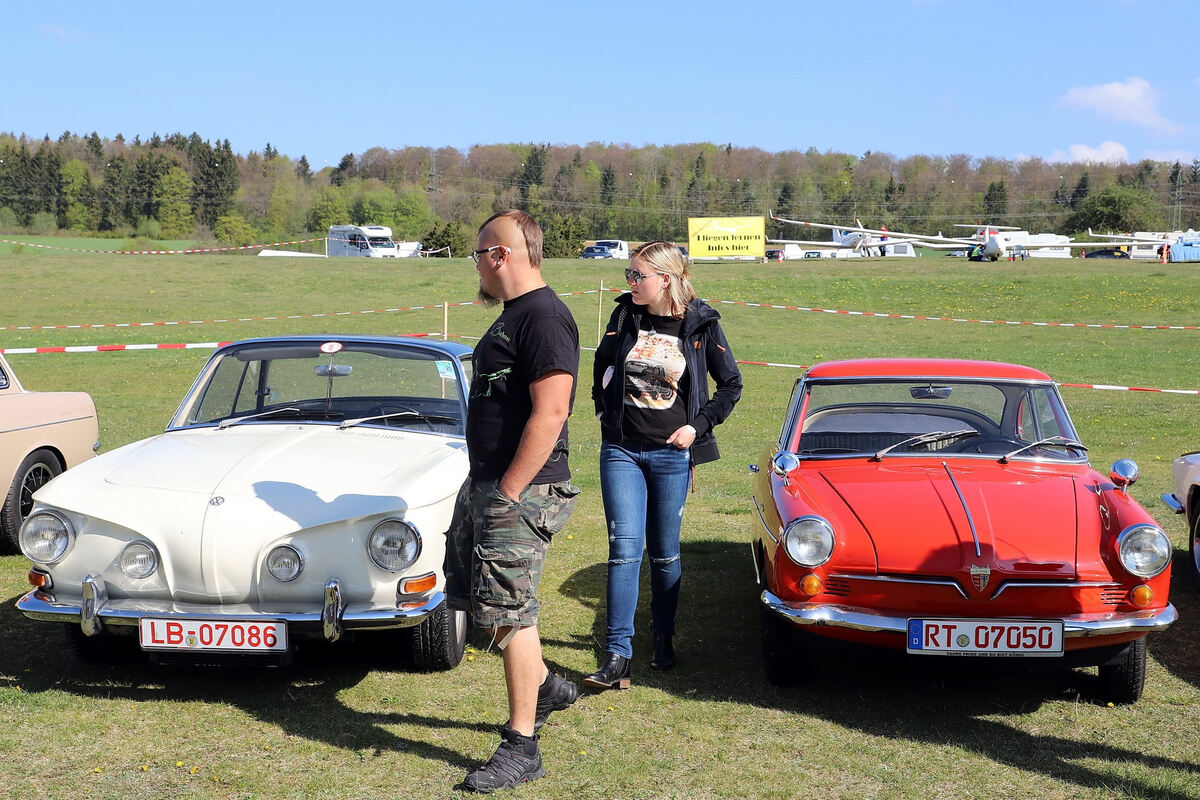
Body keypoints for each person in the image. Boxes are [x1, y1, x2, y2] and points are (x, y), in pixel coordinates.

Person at [444, 210, 581, 792]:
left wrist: (508, 493)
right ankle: (546, 686)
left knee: (511, 613)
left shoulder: (545, 317)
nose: (474, 265)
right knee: (482, 605)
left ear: (500, 255)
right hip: (489, 484)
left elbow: (552, 412)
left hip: (519, 490)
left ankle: (522, 745)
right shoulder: (513, 316)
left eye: (478, 254)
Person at [583, 241, 742, 690]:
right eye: (629, 275)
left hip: (672, 454)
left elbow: (731, 384)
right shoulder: (623, 315)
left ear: (665, 280)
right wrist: (602, 411)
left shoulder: (700, 322)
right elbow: (599, 367)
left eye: (638, 276)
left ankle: (663, 635)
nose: (630, 283)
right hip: (621, 451)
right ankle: (618, 655)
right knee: (624, 550)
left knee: (665, 552)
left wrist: (697, 427)